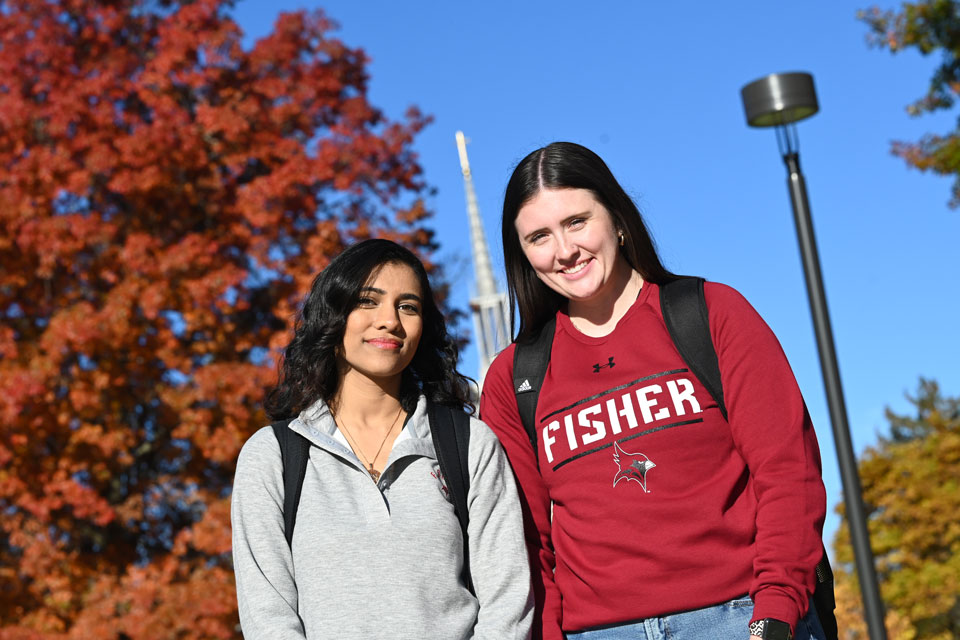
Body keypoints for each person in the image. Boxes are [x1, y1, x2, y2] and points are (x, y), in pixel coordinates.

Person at [479, 142, 828, 640]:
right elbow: (527, 543)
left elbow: (788, 472)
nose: (564, 250)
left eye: (577, 222)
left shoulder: (712, 314)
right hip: (598, 632)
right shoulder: (512, 378)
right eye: (539, 237)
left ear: (617, 219)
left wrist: (775, 607)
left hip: (737, 617)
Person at [232, 239, 533, 640]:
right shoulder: (273, 456)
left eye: (408, 307)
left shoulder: (470, 444)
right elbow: (267, 617)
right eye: (368, 301)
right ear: (334, 314)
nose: (390, 320)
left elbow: (507, 602)